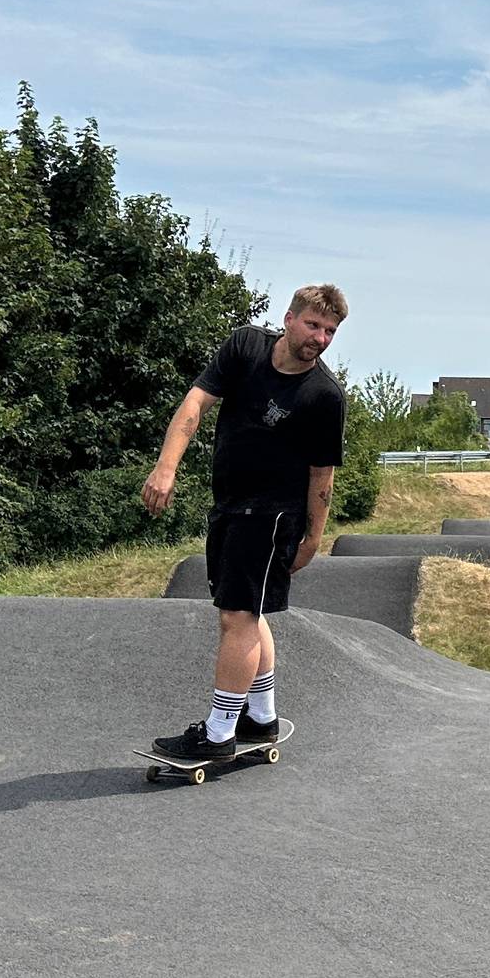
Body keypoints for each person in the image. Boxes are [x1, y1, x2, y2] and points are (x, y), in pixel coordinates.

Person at [139, 285, 350, 761]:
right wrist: (166, 467)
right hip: (230, 503)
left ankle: (218, 734)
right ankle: (261, 716)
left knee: (237, 618)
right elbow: (195, 403)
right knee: (245, 613)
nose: (320, 338)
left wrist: (313, 538)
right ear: (289, 318)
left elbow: (322, 476)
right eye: (313, 325)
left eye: (330, 332)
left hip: (274, 516)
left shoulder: (325, 396)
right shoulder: (245, 347)